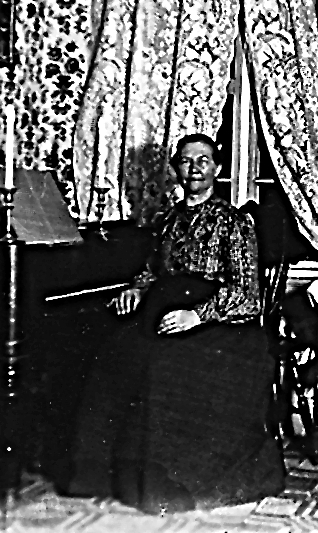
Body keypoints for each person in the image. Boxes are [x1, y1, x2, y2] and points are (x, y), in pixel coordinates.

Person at [67, 133, 285, 513]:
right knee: (113, 352)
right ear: (175, 170)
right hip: (165, 313)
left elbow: (248, 295)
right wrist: (137, 289)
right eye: (186, 161)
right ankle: (104, 474)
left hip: (221, 325)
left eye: (203, 160)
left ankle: (172, 481)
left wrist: (197, 315)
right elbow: (152, 271)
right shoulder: (168, 221)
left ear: (217, 168)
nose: (194, 168)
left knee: (165, 365)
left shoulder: (234, 222)